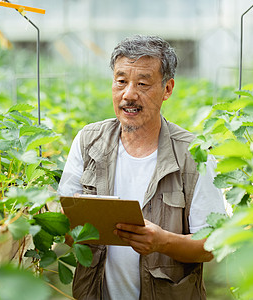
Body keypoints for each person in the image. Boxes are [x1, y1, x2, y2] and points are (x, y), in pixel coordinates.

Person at [57, 35, 226, 300]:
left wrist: (163, 242)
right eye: (121, 81)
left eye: (143, 83)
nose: (129, 95)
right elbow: (64, 225)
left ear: (167, 89)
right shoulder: (88, 142)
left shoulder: (194, 155)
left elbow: (213, 243)